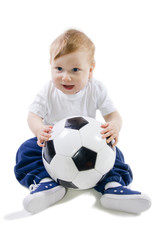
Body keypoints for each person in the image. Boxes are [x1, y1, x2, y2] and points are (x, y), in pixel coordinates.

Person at [14, 29, 151, 214]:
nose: (66, 77)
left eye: (75, 70)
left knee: (115, 153)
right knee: (26, 150)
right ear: (51, 66)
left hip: (91, 144)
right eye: (59, 69)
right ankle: (45, 184)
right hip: (52, 145)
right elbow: (33, 115)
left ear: (90, 71)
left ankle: (113, 187)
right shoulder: (48, 91)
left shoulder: (96, 89)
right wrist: (39, 130)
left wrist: (114, 127)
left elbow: (113, 115)